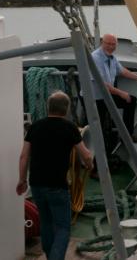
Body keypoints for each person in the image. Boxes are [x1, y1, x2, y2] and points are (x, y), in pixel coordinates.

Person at [16, 91, 93, 260]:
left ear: (47, 107)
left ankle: (51, 256)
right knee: (63, 227)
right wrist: (89, 165)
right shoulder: (70, 128)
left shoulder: (35, 127)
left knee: (46, 223)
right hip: (57, 186)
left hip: (36, 185)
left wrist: (22, 181)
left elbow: (23, 156)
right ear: (65, 110)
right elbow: (86, 155)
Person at [91, 34, 137, 145]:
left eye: (113, 44)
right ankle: (99, 150)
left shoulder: (111, 58)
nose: (111, 47)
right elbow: (102, 84)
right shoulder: (95, 58)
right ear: (102, 43)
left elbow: (121, 70)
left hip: (107, 95)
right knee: (99, 126)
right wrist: (121, 93)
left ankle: (126, 136)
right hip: (95, 98)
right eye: (108, 44)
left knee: (131, 100)